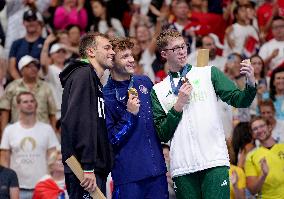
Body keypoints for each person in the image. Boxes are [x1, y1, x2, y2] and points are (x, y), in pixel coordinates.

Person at [151, 28, 257, 199]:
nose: (181, 51)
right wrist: (178, 105)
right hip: (182, 167)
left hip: (214, 160)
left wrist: (250, 82)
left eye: (183, 46)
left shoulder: (209, 73)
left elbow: (240, 100)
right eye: (175, 49)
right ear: (164, 54)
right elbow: (162, 133)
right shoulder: (158, 90)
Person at [103, 37, 168, 199]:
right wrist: (129, 114)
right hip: (128, 176)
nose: (132, 60)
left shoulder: (144, 82)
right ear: (111, 61)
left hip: (157, 171)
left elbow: (160, 118)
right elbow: (110, 139)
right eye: (125, 57)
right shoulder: (106, 96)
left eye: (132, 55)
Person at [59, 32, 115, 198]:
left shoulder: (92, 80)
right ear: (91, 52)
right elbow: (79, 122)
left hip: (91, 169)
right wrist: (88, 166)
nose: (112, 52)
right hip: (85, 171)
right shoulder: (83, 75)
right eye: (107, 47)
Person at [0, 91, 59, 199]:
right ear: (18, 105)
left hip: (43, 187)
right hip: (17, 188)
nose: (29, 104)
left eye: (32, 101)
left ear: (36, 105)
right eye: (25, 101)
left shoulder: (47, 129)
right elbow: (4, 160)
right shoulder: (10, 130)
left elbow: (54, 158)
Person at [0, 55, 57, 136]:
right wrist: (3, 134)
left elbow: (52, 113)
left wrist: (53, 133)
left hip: (42, 132)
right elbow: (5, 112)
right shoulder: (12, 87)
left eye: (35, 66)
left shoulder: (46, 87)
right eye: (29, 66)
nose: (33, 68)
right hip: (18, 132)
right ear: (21, 70)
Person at [245, 116, 284, 198]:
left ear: (269, 127)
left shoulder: (283, 146)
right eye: (255, 129)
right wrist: (263, 174)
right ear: (253, 134)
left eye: (262, 126)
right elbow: (252, 190)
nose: (259, 130)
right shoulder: (250, 157)